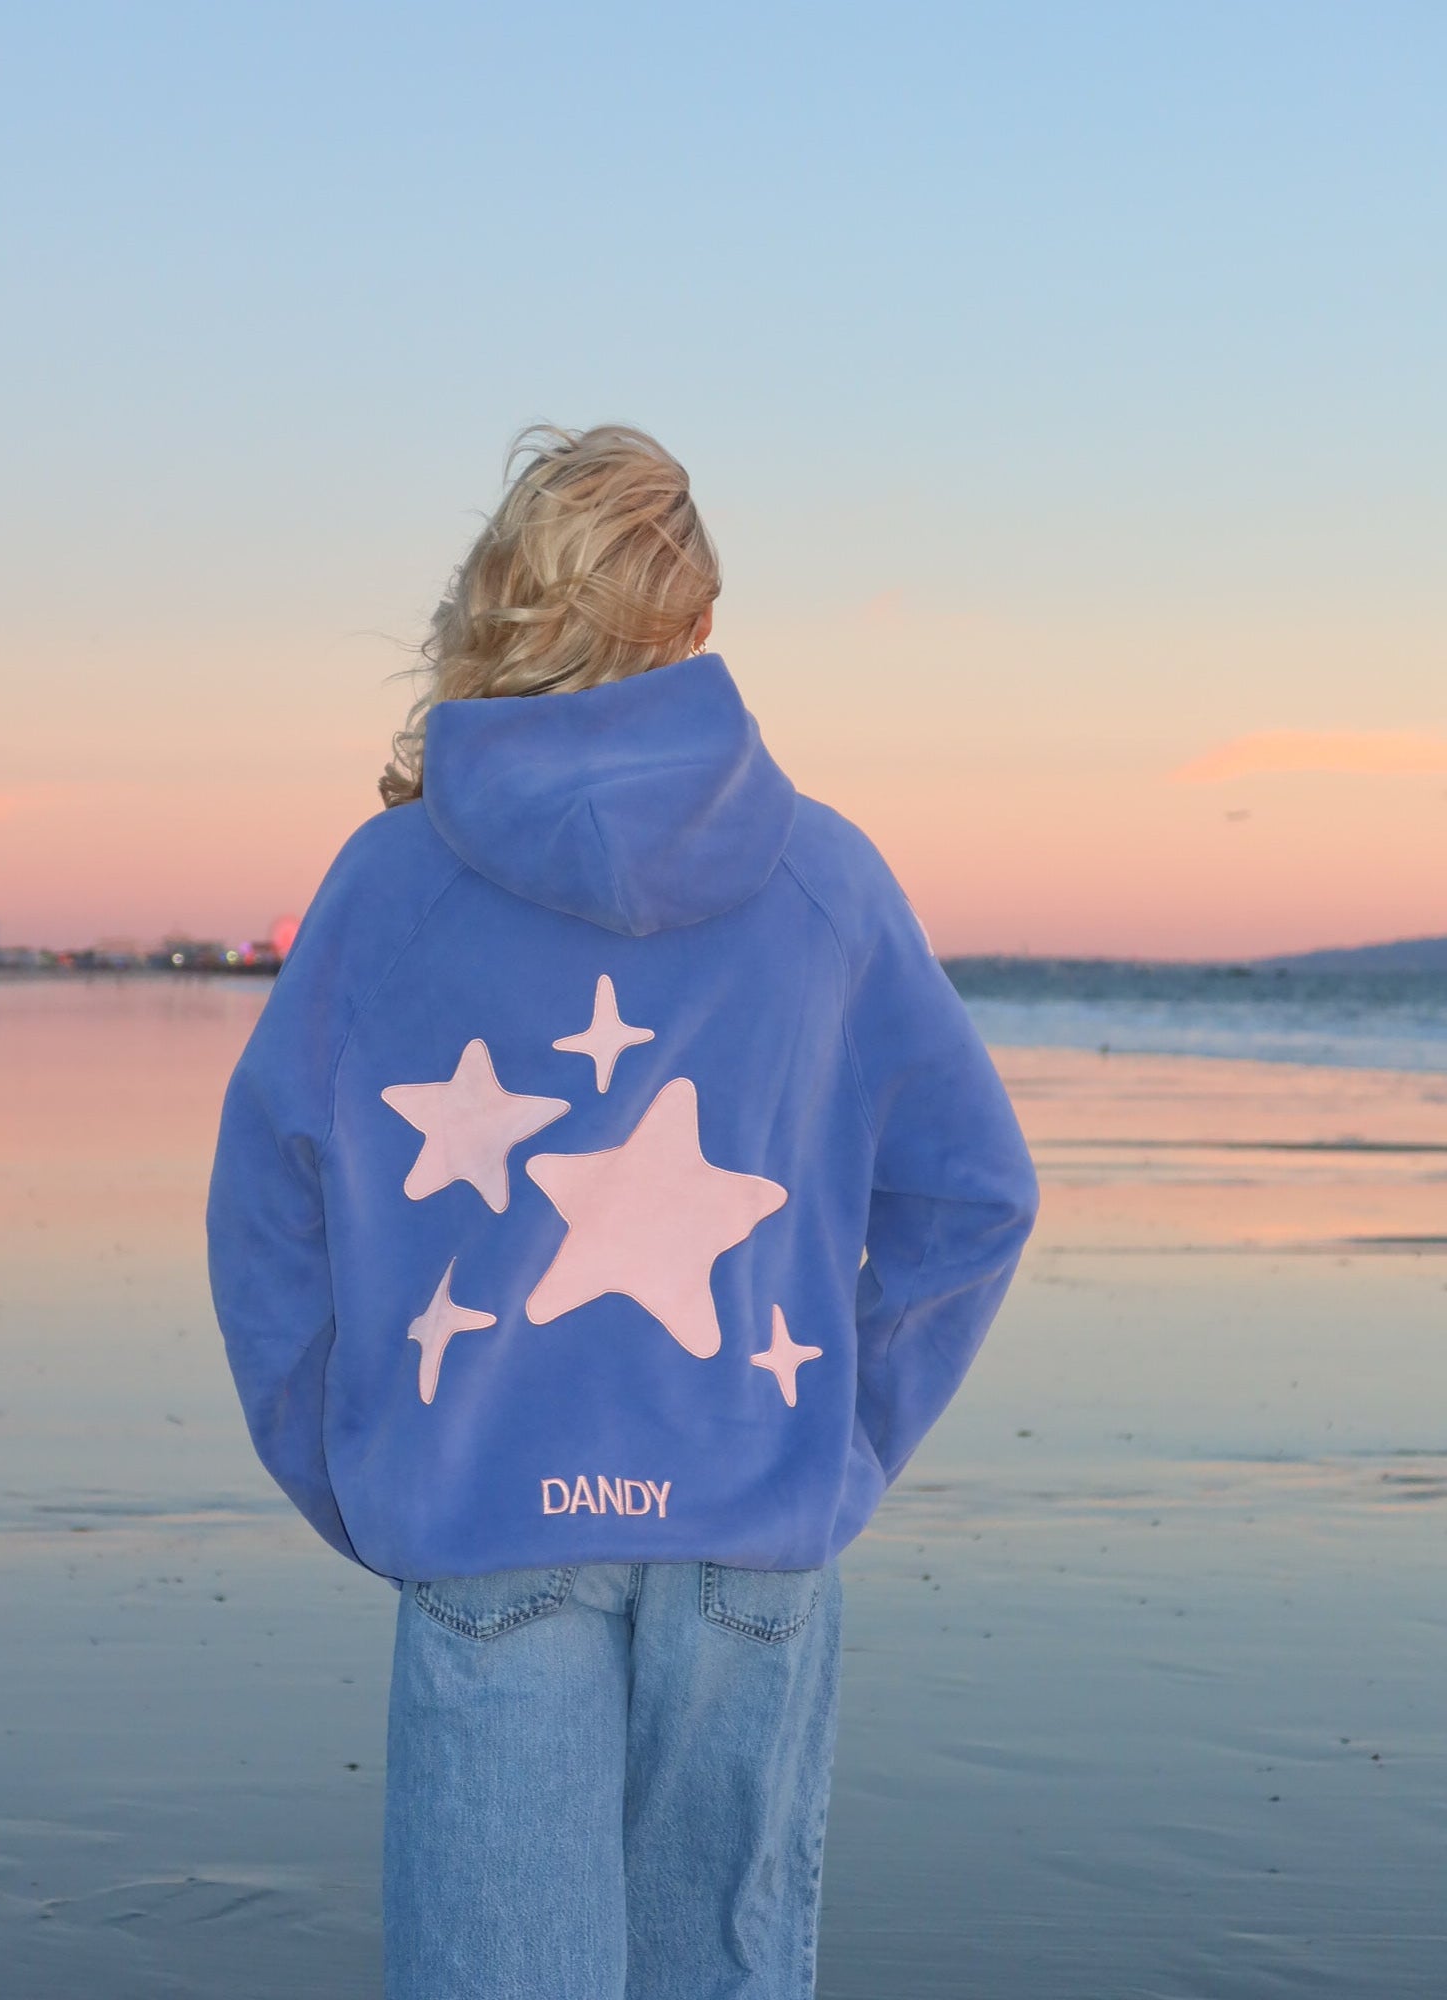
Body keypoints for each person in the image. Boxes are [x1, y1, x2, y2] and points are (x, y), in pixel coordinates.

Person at [205, 422, 1039, 1999]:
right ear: (700, 626)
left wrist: (354, 1465)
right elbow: (976, 1194)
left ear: (505, 601)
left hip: (485, 1520)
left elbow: (267, 1210)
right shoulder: (828, 881)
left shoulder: (386, 884)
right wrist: (841, 1443)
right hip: (751, 1535)